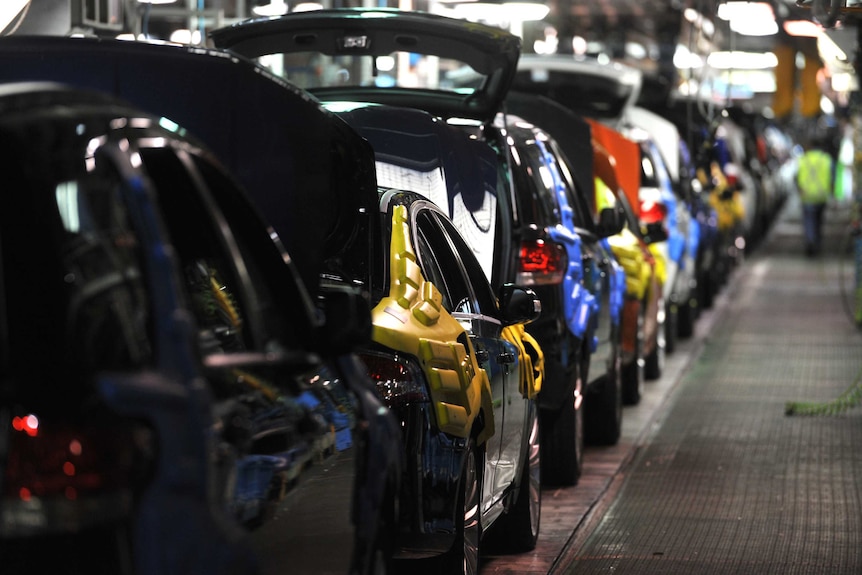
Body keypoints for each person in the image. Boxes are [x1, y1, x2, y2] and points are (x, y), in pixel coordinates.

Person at [796, 139, 834, 256]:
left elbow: (797, 177)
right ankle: (817, 242)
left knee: (809, 221)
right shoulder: (827, 159)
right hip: (822, 196)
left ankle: (810, 241)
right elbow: (833, 178)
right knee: (818, 221)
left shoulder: (803, 159)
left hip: (807, 196)